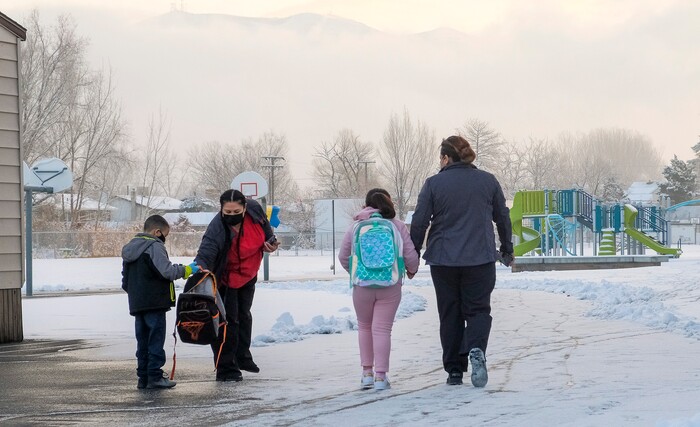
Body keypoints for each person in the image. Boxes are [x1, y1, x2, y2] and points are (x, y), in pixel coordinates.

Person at [410, 135, 513, 388]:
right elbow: (502, 217)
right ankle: (476, 347)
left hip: (444, 261)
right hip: (480, 258)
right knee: (478, 309)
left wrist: (411, 253)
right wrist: (506, 249)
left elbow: (420, 221)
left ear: (446, 158)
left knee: (450, 313)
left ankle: (455, 370)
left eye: (440, 158)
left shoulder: (433, 184)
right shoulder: (488, 181)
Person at [339, 188, 420, 390]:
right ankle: (381, 377)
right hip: (390, 283)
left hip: (362, 285)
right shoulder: (397, 225)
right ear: (388, 202)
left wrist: (357, 272)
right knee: (382, 329)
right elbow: (410, 255)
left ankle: (367, 373)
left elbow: (343, 256)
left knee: (365, 326)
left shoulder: (356, 226)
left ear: (365, 205)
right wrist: (411, 270)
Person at [194, 189, 279, 382]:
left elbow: (268, 235)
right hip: (225, 277)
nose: (232, 216)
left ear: (245, 208)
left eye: (236, 212)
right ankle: (226, 368)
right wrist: (199, 269)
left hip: (248, 273)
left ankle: (242, 357)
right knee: (227, 322)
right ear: (221, 210)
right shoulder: (217, 227)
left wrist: (271, 244)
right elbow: (206, 252)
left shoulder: (256, 212)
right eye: (228, 212)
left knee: (244, 317)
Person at [122, 214, 199, 389]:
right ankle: (155, 376)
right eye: (165, 234)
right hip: (155, 303)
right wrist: (187, 270)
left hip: (137, 303)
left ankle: (143, 377)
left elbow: (125, 280)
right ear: (157, 232)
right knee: (155, 340)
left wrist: (137, 294)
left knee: (142, 340)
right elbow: (167, 271)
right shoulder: (154, 246)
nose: (164, 238)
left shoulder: (130, 248)